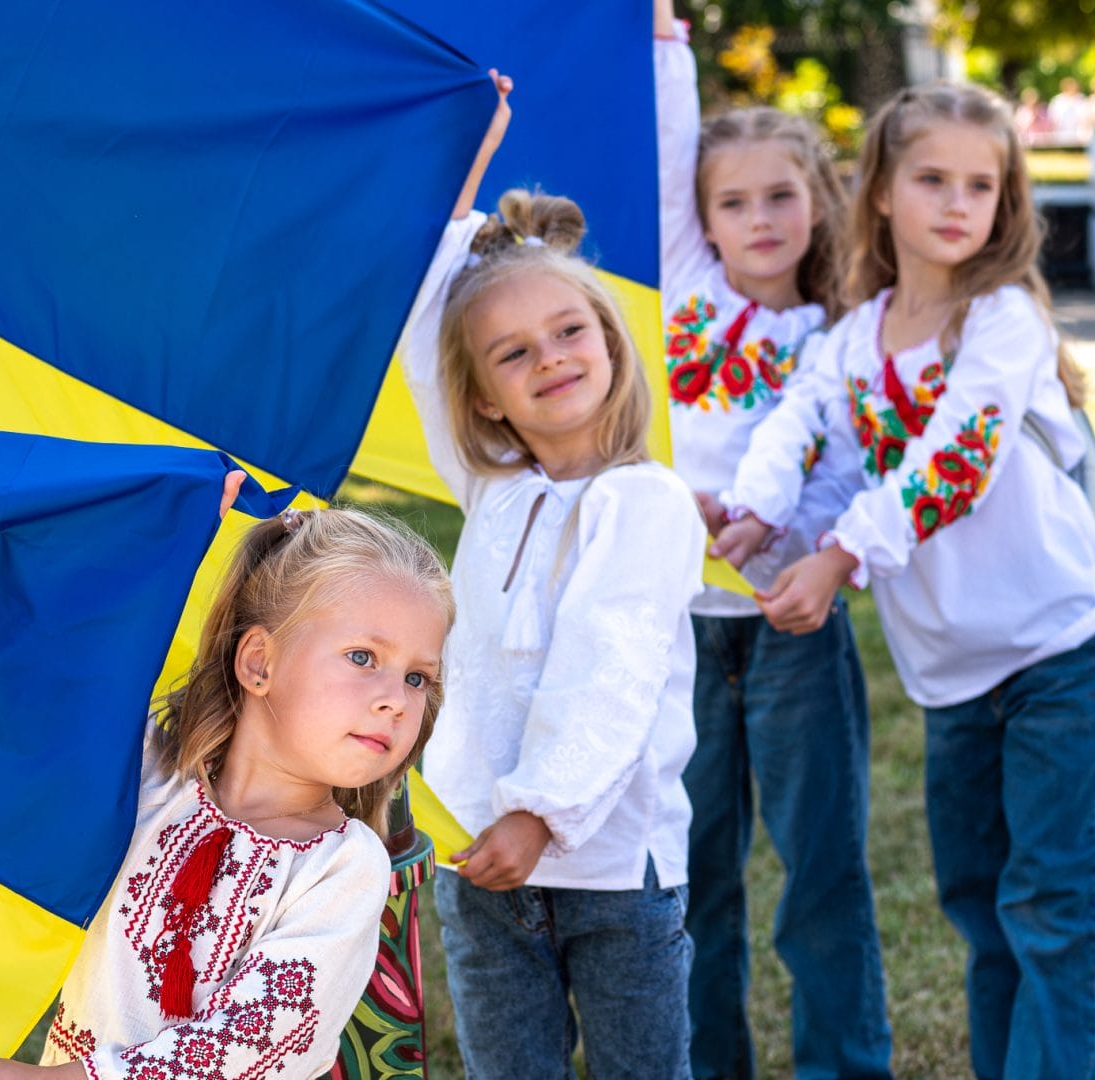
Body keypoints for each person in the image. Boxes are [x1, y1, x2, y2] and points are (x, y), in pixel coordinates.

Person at [717, 82, 1095, 1079]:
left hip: (1059, 655)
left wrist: (839, 556)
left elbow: (956, 459)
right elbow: (796, 426)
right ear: (881, 196)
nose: (957, 202)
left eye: (980, 184)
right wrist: (761, 507)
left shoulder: (1002, 323)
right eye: (932, 178)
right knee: (984, 915)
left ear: (1004, 202)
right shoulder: (850, 342)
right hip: (950, 679)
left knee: (1052, 914)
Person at [401, 73, 706, 1080]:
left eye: (570, 331)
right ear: (482, 402)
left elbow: (607, 670)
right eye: (513, 354)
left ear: (610, 341)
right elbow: (422, 330)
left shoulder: (646, 501)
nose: (550, 359)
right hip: (483, 868)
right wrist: (462, 173)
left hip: (616, 874)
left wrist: (543, 812)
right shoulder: (494, 492)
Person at [0, 500, 455, 1080]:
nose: (397, 697)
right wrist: (151, 537)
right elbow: (54, 670)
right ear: (260, 662)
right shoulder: (147, 777)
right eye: (363, 657)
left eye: (418, 677)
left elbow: (260, 1039)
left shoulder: (342, 868)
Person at [651, 4, 893, 1078]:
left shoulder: (847, 333)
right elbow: (664, 155)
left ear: (818, 201)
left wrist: (812, 546)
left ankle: (847, 1062)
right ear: (703, 217)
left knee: (821, 870)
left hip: (795, 629)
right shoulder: (684, 291)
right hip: (680, 633)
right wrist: (665, 41)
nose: (758, 218)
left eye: (780, 196)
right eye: (732, 201)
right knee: (694, 875)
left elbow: (853, 475)